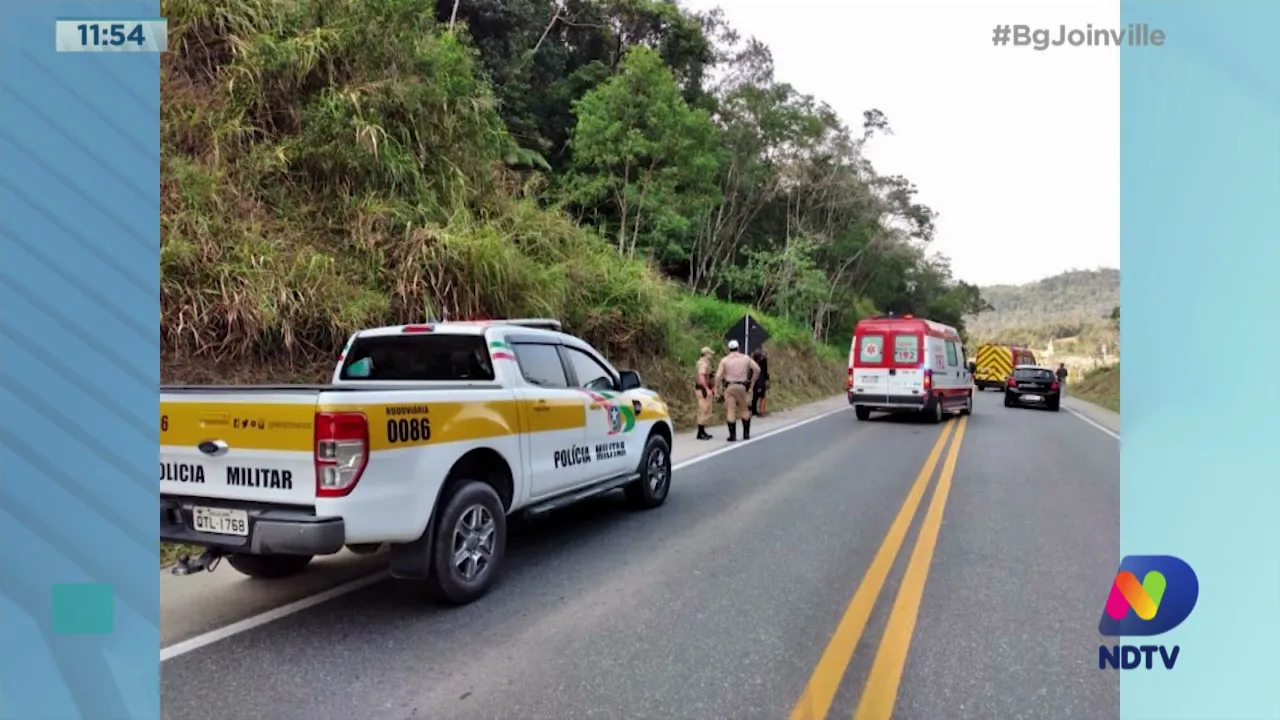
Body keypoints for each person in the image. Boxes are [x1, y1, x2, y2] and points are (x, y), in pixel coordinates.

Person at [714, 339, 761, 442]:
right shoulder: (745, 358)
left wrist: (716, 388)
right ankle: (746, 434)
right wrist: (752, 382)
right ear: (738, 348)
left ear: (729, 349)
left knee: (730, 410)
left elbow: (718, 376)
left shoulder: (725, 360)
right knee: (744, 409)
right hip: (742, 386)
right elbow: (757, 369)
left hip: (730, 387)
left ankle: (732, 435)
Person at [694, 347, 716, 440]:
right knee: (704, 409)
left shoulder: (703, 363)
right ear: (706, 354)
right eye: (710, 354)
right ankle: (700, 432)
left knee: (705, 409)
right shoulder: (703, 364)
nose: (711, 356)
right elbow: (701, 377)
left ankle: (702, 431)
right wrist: (707, 389)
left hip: (702, 388)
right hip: (702, 389)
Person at [750, 348, 770, 417]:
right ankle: (761, 411)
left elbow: (751, 372)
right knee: (762, 396)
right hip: (761, 380)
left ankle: (754, 410)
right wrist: (767, 379)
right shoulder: (763, 361)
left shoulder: (752, 362)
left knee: (755, 396)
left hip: (754, 380)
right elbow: (765, 371)